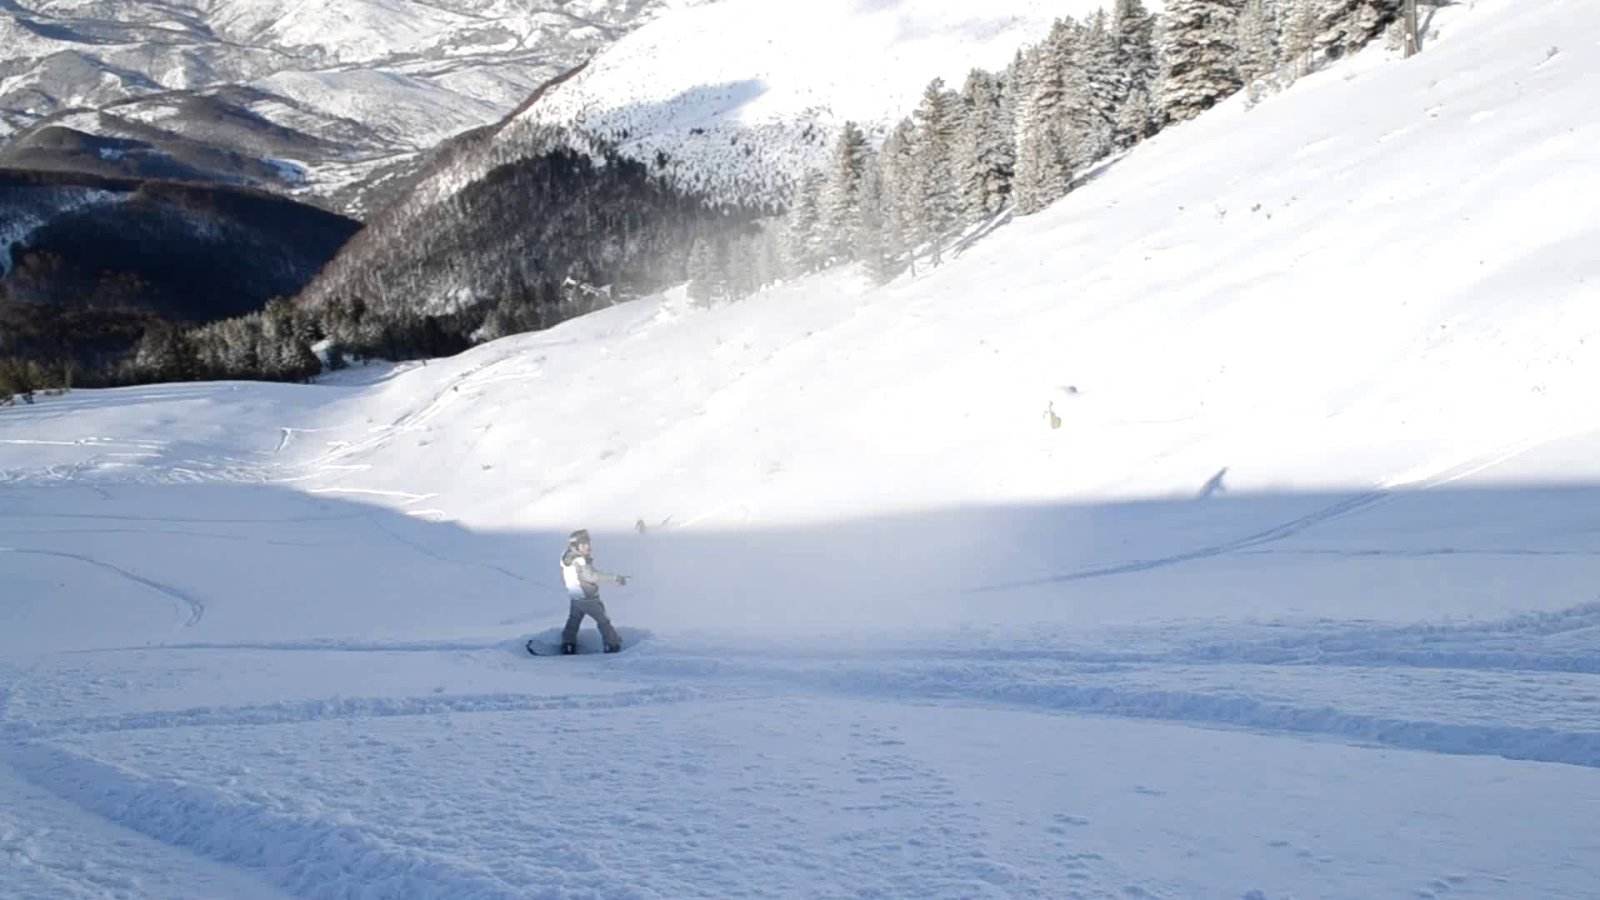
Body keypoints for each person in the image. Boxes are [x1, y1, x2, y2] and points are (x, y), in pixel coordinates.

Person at [559, 528, 630, 654]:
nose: (587, 547)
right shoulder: (580, 561)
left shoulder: (568, 558)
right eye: (583, 544)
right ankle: (612, 644)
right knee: (603, 621)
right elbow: (592, 576)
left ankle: (568, 644)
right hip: (588, 598)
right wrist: (614, 578)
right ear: (576, 546)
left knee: (573, 621)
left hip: (576, 598)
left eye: (588, 544)